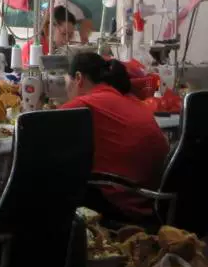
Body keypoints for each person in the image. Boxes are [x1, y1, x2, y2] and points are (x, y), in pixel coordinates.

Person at [64, 52, 170, 227]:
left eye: (66, 83)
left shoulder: (84, 105)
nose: (66, 90)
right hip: (152, 203)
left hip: (125, 205)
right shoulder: (130, 100)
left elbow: (40, 130)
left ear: (78, 78)